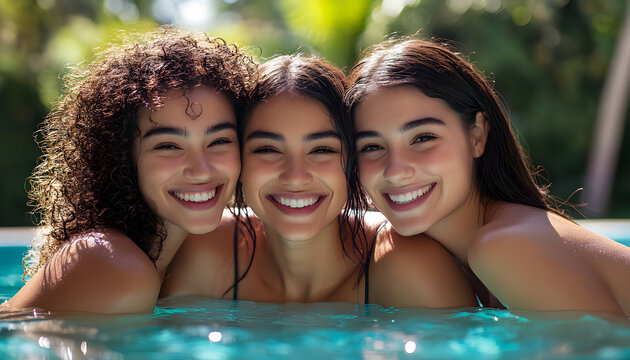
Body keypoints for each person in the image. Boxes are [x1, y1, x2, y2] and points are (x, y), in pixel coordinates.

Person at [160, 54, 475, 308]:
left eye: (322, 149)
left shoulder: (408, 268)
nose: (295, 176)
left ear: (352, 163)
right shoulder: (203, 254)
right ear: (239, 161)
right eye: (268, 149)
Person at [345, 37, 630, 316]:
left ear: (477, 135)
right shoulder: (470, 253)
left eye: (422, 138)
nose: (396, 170)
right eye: (371, 146)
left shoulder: (503, 247)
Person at [0, 27, 256, 314]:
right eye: (168, 146)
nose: (201, 169)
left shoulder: (170, 257)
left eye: (219, 141)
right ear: (122, 157)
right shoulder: (117, 267)